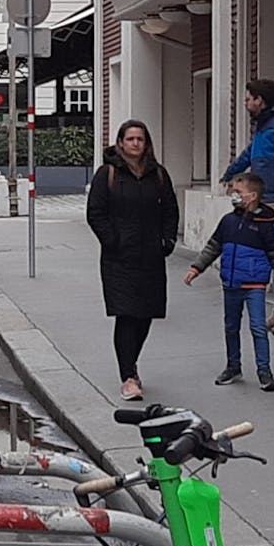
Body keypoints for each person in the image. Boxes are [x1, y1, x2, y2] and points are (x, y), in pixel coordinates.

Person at [86, 119, 180, 402]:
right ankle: (127, 376)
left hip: (151, 256)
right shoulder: (109, 173)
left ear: (146, 143)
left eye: (140, 139)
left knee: (146, 314)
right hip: (119, 258)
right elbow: (95, 212)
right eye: (130, 139)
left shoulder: (158, 175)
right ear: (121, 142)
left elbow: (170, 210)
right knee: (126, 314)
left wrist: (168, 239)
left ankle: (132, 364)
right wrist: (112, 240)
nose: (135, 144)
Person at [183, 173, 274, 392]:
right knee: (231, 327)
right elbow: (213, 247)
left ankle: (265, 372)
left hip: (254, 285)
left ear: (252, 196)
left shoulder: (266, 225)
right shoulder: (228, 221)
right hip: (231, 284)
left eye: (238, 192)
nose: (234, 195)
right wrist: (196, 268)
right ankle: (233, 366)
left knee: (258, 328)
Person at [220, 79, 274, 335]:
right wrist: (231, 173)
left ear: (261, 99)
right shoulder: (265, 126)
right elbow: (251, 155)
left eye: (249, 98)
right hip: (265, 199)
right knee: (267, 256)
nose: (246, 103)